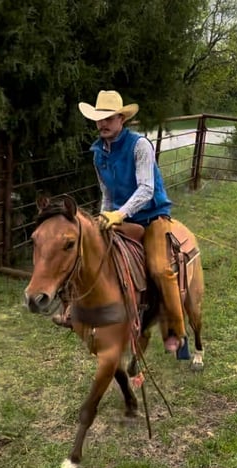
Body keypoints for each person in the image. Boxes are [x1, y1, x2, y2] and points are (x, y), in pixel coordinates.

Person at [74, 90, 186, 354]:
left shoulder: (140, 146)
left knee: (160, 269)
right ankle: (83, 311)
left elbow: (146, 189)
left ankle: (177, 331)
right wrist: (104, 215)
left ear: (121, 119)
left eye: (108, 118)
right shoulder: (98, 153)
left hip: (151, 217)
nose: (102, 124)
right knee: (92, 256)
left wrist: (119, 214)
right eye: (98, 119)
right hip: (119, 217)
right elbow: (107, 193)